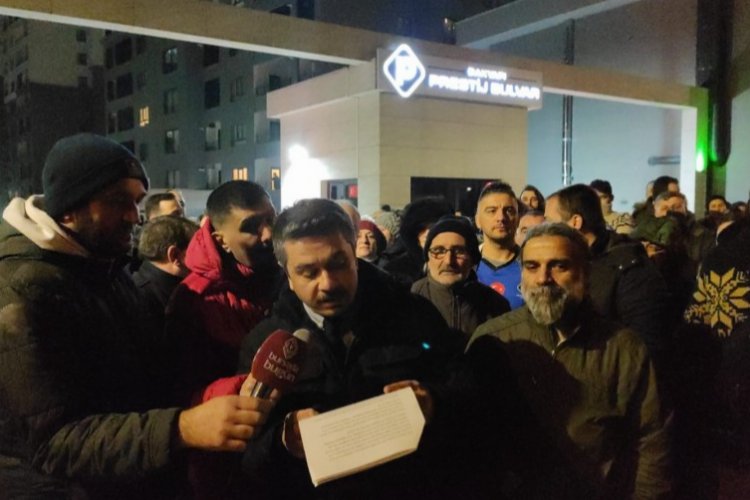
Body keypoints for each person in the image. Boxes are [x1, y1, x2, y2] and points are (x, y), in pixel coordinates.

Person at [0, 134, 274, 499]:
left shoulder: (104, 266)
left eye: (137, 200)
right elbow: (54, 443)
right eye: (118, 201)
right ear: (69, 208)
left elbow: (142, 379)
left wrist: (216, 393)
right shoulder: (23, 289)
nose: (135, 215)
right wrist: (183, 427)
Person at [239, 199, 462, 499]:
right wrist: (282, 440)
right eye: (308, 272)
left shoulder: (414, 315)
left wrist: (433, 401)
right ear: (287, 274)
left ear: (354, 252)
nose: (328, 283)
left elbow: (466, 397)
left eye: (338, 264)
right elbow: (248, 457)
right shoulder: (265, 344)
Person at [468, 222, 673, 499]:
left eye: (559, 266)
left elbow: (650, 440)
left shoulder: (623, 348)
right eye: (532, 267)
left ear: (585, 273)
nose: (543, 278)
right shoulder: (493, 340)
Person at [165, 180, 281, 405]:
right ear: (222, 241)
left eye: (271, 220)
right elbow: (184, 388)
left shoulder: (292, 273)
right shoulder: (195, 299)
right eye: (251, 226)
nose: (268, 234)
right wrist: (249, 386)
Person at [545, 184, 670, 355]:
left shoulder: (631, 269)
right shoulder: (574, 263)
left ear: (575, 222)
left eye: (549, 223)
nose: (544, 232)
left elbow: (645, 342)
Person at [412, 215, 509, 342]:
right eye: (439, 251)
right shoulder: (411, 302)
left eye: (459, 251)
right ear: (427, 258)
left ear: (472, 259)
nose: (448, 261)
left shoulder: (494, 305)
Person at [133, 215, 199, 332]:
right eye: (197, 248)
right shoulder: (140, 299)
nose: (204, 255)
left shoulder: (140, 287)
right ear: (174, 255)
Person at [382, 196, 453, 288]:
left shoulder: (458, 264)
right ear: (413, 233)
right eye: (421, 228)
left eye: (433, 227)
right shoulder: (396, 272)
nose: (428, 233)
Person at [475, 181, 525, 309]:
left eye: (509, 211)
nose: (501, 218)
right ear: (477, 220)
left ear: (518, 219)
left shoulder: (532, 266)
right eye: (492, 211)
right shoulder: (466, 265)